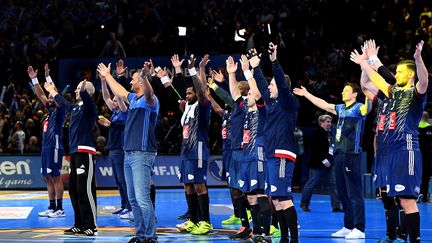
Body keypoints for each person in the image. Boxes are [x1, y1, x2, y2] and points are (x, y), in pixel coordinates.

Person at [350, 40, 428, 243]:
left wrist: (418, 59)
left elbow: (424, 81)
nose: (397, 74)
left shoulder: (415, 94)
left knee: (407, 200)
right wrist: (366, 62)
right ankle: (393, 235)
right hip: (387, 154)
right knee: (393, 198)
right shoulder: (392, 93)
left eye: (400, 71)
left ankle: (413, 240)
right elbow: (373, 81)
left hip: (405, 150)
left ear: (410, 74)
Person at [294, 82, 370, 238]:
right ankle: (349, 226)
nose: (343, 92)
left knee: (354, 193)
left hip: (351, 154)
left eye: (346, 90)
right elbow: (324, 104)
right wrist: (307, 94)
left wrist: (368, 90)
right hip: (339, 155)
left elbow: (367, 109)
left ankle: (360, 228)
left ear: (355, 94)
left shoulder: (359, 107)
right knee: (342, 193)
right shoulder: (341, 109)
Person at [97, 61, 159, 243]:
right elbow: (120, 91)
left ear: (141, 82)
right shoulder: (133, 99)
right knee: (133, 198)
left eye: (133, 80)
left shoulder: (151, 102)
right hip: (129, 153)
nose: (130, 83)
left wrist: (146, 76)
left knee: (142, 197)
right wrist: (107, 76)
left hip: (142, 152)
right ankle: (140, 235)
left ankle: (150, 237)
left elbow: (149, 93)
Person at [251, 43, 299, 243]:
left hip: (282, 154)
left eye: (273, 86)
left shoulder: (289, 103)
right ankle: (284, 238)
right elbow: (262, 84)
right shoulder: (272, 104)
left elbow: (279, 81)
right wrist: (255, 67)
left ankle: (293, 240)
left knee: (284, 198)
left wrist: (274, 61)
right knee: (277, 200)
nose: (268, 88)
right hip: (272, 154)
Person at [356, 40, 402, 242]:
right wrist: (363, 63)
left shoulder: (399, 96)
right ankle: (391, 235)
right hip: (382, 156)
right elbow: (365, 85)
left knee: (399, 198)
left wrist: (372, 61)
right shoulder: (381, 100)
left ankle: (402, 235)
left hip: (397, 153)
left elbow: (390, 81)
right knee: (386, 198)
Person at [44, 78, 97, 236]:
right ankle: (79, 224)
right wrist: (53, 91)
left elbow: (86, 97)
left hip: (85, 152)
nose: (75, 90)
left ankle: (91, 225)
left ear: (85, 91)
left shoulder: (89, 107)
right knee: (74, 190)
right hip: (74, 153)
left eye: (78, 88)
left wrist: (83, 87)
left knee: (85, 190)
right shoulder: (74, 108)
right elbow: (63, 102)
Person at [175, 54, 213, 235]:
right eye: (186, 94)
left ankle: (205, 222)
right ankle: (193, 220)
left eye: (190, 93)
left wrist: (193, 70)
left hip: (197, 150)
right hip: (185, 151)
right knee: (187, 185)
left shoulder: (203, 106)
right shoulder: (187, 107)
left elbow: (201, 90)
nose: (187, 96)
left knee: (198, 185)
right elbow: (173, 91)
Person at [27, 64, 67, 218]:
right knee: (46, 177)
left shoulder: (61, 109)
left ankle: (60, 209)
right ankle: (51, 207)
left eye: (52, 96)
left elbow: (52, 93)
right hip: (46, 147)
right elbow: (40, 94)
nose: (49, 98)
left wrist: (49, 79)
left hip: (55, 146)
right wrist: (34, 79)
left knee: (55, 176)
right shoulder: (50, 110)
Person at [98, 62, 132, 219]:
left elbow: (118, 95)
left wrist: (114, 79)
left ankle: (130, 207)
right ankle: (124, 205)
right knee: (118, 180)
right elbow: (105, 96)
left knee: (123, 179)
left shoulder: (124, 111)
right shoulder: (114, 112)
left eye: (115, 98)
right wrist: (103, 81)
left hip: (121, 148)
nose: (112, 100)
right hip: (113, 148)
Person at [299, 114, 342, 212]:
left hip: (329, 164)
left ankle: (336, 206)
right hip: (317, 164)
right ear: (321, 123)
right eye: (327, 122)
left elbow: (330, 147)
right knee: (311, 184)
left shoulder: (329, 133)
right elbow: (315, 149)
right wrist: (324, 160)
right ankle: (304, 204)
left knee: (334, 184)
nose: (329, 124)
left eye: (330, 122)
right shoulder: (316, 133)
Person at [418, 111, 432, 203]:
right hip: (428, 156)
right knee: (426, 176)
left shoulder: (415, 127)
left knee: (416, 175)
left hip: (417, 155)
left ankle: (416, 193)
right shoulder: (431, 128)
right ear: (428, 118)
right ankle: (425, 195)